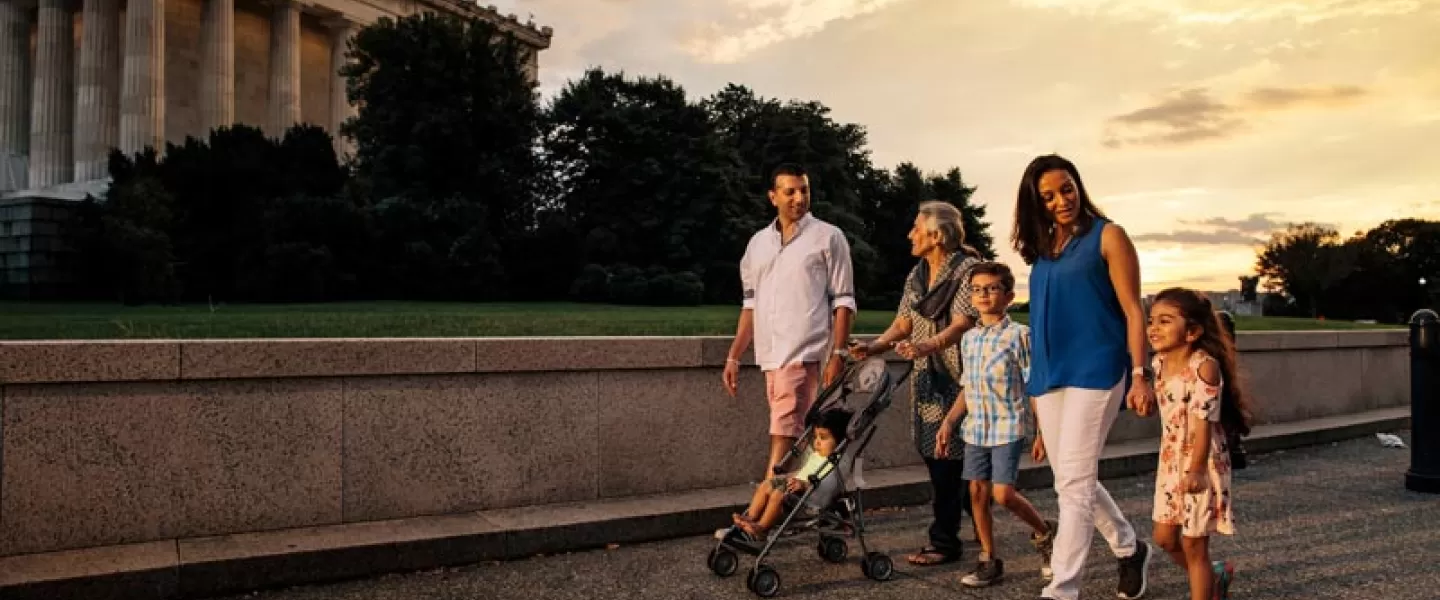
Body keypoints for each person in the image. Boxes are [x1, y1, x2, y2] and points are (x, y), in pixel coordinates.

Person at [1012, 154, 1155, 600]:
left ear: (1079, 185)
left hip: (1098, 365)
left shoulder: (1108, 235)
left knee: (1073, 484)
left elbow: (1134, 309)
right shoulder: (1042, 251)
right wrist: (1037, 408)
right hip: (1050, 372)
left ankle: (1062, 589)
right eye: (1049, 196)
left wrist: (1139, 373)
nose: (1061, 201)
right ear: (1036, 203)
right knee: (1072, 478)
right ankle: (1129, 548)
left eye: (1067, 188)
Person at [849, 201, 981, 567]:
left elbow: (962, 323)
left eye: (916, 228)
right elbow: (904, 322)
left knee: (950, 463)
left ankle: (946, 540)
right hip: (927, 380)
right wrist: (874, 346)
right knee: (939, 457)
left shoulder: (967, 271)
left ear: (936, 235)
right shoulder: (919, 272)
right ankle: (977, 523)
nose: (910, 234)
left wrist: (928, 345)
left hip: (961, 379)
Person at [723, 163, 857, 484]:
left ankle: (761, 513)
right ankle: (825, 510)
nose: (799, 197)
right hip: (770, 357)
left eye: (804, 190)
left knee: (783, 437)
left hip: (805, 354)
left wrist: (837, 354)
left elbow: (844, 301)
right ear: (773, 197)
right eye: (790, 191)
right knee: (811, 440)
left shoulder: (828, 237)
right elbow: (750, 304)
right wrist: (734, 356)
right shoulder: (757, 244)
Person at [935, 261, 1058, 588]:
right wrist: (948, 422)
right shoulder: (969, 338)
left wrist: (1041, 431)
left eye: (991, 288)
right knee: (976, 492)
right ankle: (988, 559)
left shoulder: (1020, 336)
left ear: (1008, 296)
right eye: (977, 289)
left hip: (1007, 424)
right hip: (976, 427)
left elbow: (1034, 386)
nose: (984, 295)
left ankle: (1045, 532)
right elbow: (968, 386)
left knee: (1003, 494)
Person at [1146, 288, 1252, 600]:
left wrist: (1195, 470)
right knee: (1164, 537)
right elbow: (1171, 407)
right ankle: (1214, 577)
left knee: (1194, 544)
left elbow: (1202, 425)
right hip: (1170, 461)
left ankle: (1205, 587)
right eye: (1152, 320)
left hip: (1201, 462)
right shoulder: (1159, 363)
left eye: (1165, 321)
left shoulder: (1204, 366)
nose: (1154, 328)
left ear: (1192, 331)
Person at [731, 409, 853, 539]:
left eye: (823, 438)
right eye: (816, 436)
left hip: (811, 498)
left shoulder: (838, 462)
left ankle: (761, 528)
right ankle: (750, 517)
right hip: (797, 489)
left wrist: (804, 485)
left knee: (778, 493)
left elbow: (829, 484)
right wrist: (789, 477)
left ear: (839, 441)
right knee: (766, 484)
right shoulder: (817, 455)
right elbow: (803, 472)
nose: (817, 442)